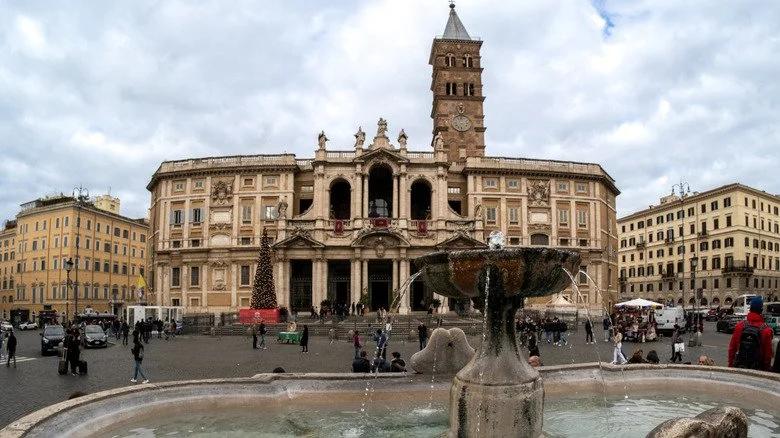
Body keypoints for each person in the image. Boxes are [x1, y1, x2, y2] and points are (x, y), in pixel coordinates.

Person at [728, 296, 774, 371]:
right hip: (757, 370)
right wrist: (765, 370)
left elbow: (732, 350)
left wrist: (730, 366)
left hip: (740, 368)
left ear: (750, 309)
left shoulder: (740, 326)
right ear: (761, 310)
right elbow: (767, 356)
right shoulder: (766, 330)